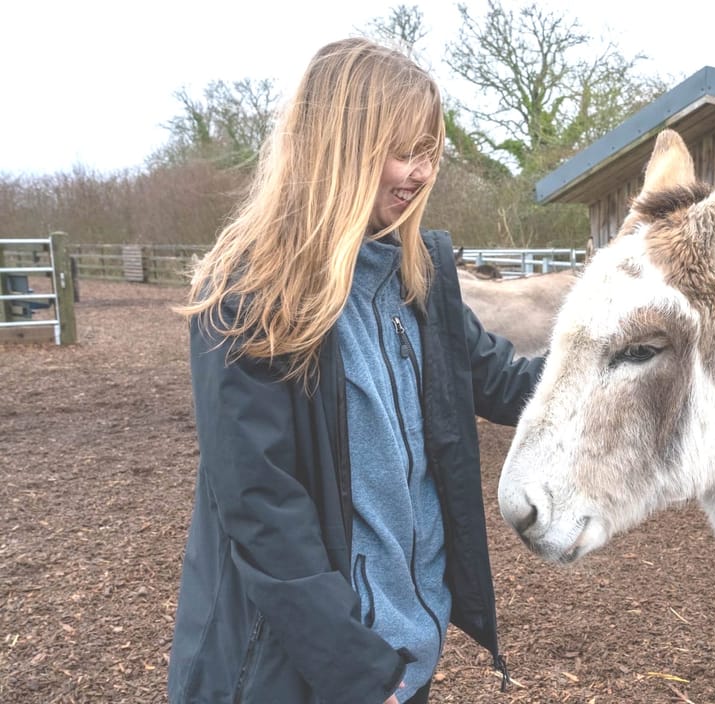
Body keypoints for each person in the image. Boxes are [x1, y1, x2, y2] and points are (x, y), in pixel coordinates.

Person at [167, 37, 543, 704]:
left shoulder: (417, 279)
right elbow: (262, 511)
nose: (423, 173)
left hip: (400, 658)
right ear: (343, 146)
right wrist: (359, 674)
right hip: (303, 677)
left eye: (431, 154)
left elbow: (510, 383)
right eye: (406, 152)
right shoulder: (251, 294)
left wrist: (630, 350)